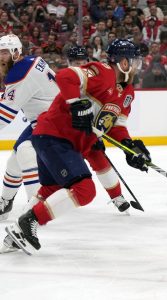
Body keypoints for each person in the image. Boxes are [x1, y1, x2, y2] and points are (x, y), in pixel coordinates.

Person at [3, 39, 151, 254]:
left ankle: (15, 234)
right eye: (134, 60)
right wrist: (75, 103)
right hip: (55, 135)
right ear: (123, 63)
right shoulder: (102, 72)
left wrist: (130, 147)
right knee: (84, 190)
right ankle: (29, 223)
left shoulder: (127, 93)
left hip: (62, 142)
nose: (137, 65)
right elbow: (65, 76)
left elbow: (116, 125)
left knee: (51, 190)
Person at [66, 45, 132, 214]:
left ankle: (117, 197)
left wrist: (102, 134)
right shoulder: (68, 79)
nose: (78, 64)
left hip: (89, 133)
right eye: (74, 61)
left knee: (100, 161)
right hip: (65, 132)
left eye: (81, 60)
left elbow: (111, 115)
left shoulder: (100, 79)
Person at [0, 34, 58, 221]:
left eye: (4, 53)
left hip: (55, 123)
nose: (1, 57)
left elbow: (4, 116)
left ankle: (35, 212)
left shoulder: (20, 74)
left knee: (25, 153)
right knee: (14, 161)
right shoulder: (33, 60)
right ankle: (5, 202)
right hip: (48, 119)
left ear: (16, 53)